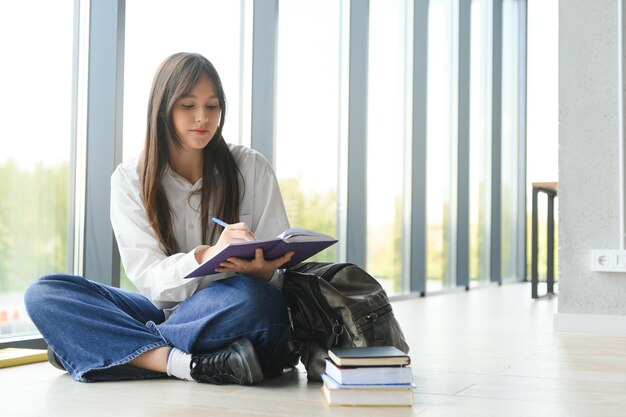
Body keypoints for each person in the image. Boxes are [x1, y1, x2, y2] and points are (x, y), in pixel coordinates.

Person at [24, 52, 295, 385]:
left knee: (259, 303)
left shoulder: (250, 168)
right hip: (163, 310)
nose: (203, 118)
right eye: (187, 105)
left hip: (228, 306)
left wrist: (266, 273)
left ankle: (105, 348)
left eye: (212, 106)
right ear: (162, 108)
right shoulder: (129, 179)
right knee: (45, 294)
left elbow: (280, 271)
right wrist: (207, 255)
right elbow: (150, 278)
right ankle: (184, 363)